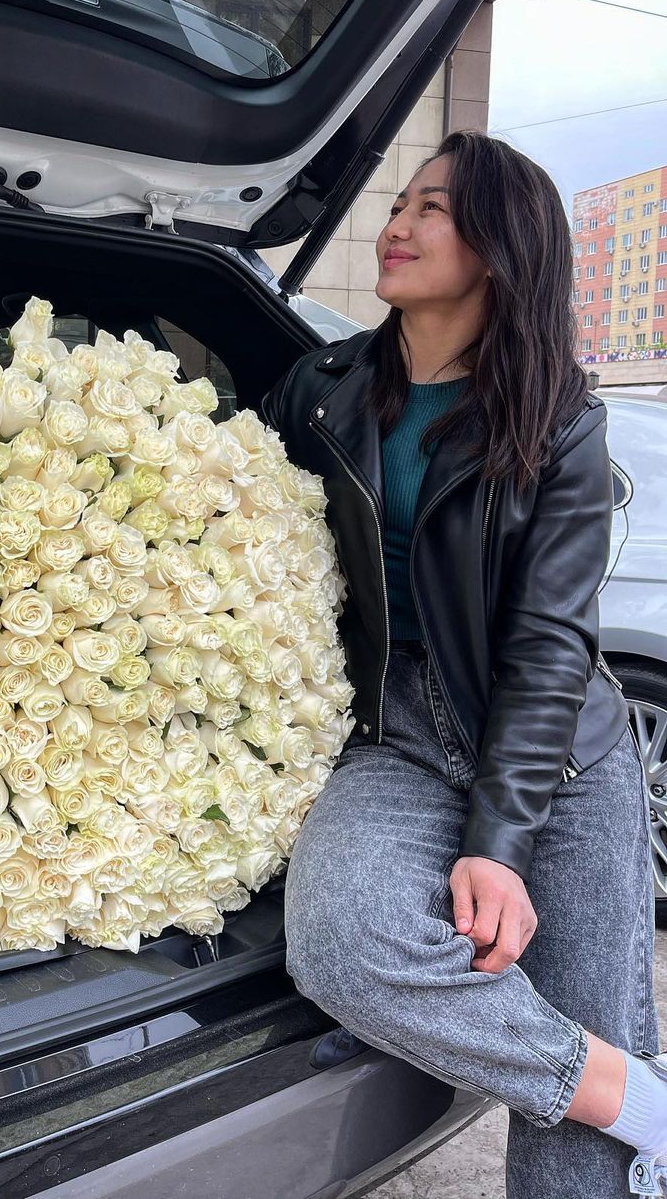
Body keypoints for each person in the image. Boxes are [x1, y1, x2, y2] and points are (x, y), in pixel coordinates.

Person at [262, 130, 664, 1198]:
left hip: (556, 753)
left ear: (497, 244)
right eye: (399, 203)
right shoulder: (317, 388)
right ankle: (638, 1095)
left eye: (430, 209)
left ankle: (618, 1107)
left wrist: (498, 841)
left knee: (578, 1132)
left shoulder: (559, 417)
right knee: (344, 938)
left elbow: (549, 644)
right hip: (392, 732)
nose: (395, 226)